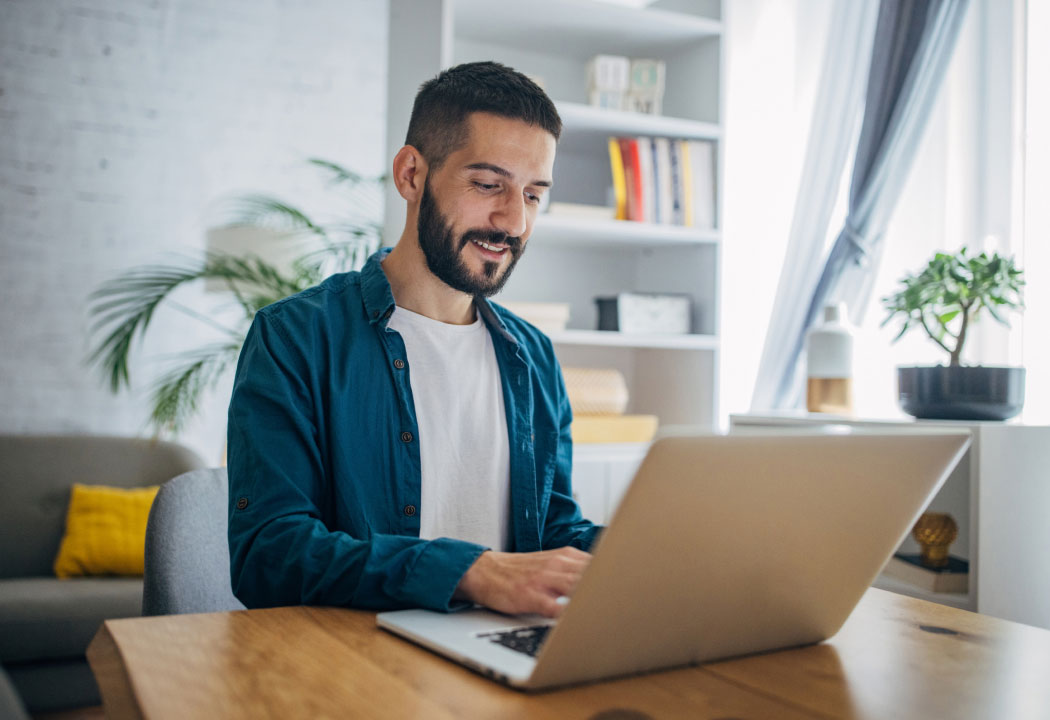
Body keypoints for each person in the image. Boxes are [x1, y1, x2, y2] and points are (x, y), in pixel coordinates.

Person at [227, 61, 601, 619]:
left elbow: (552, 527)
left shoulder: (534, 357)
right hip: (359, 664)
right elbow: (268, 554)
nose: (514, 222)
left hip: (502, 655)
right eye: (487, 185)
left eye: (532, 196)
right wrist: (471, 572)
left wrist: (648, 555)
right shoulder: (294, 338)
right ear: (411, 175)